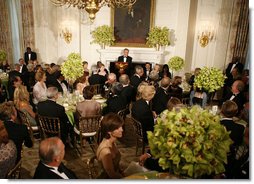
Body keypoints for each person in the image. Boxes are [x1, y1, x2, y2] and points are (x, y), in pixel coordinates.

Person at [96, 113, 124, 179]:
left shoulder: (112, 142)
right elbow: (112, 175)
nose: (122, 130)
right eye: (117, 128)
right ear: (109, 131)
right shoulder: (106, 151)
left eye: (121, 126)